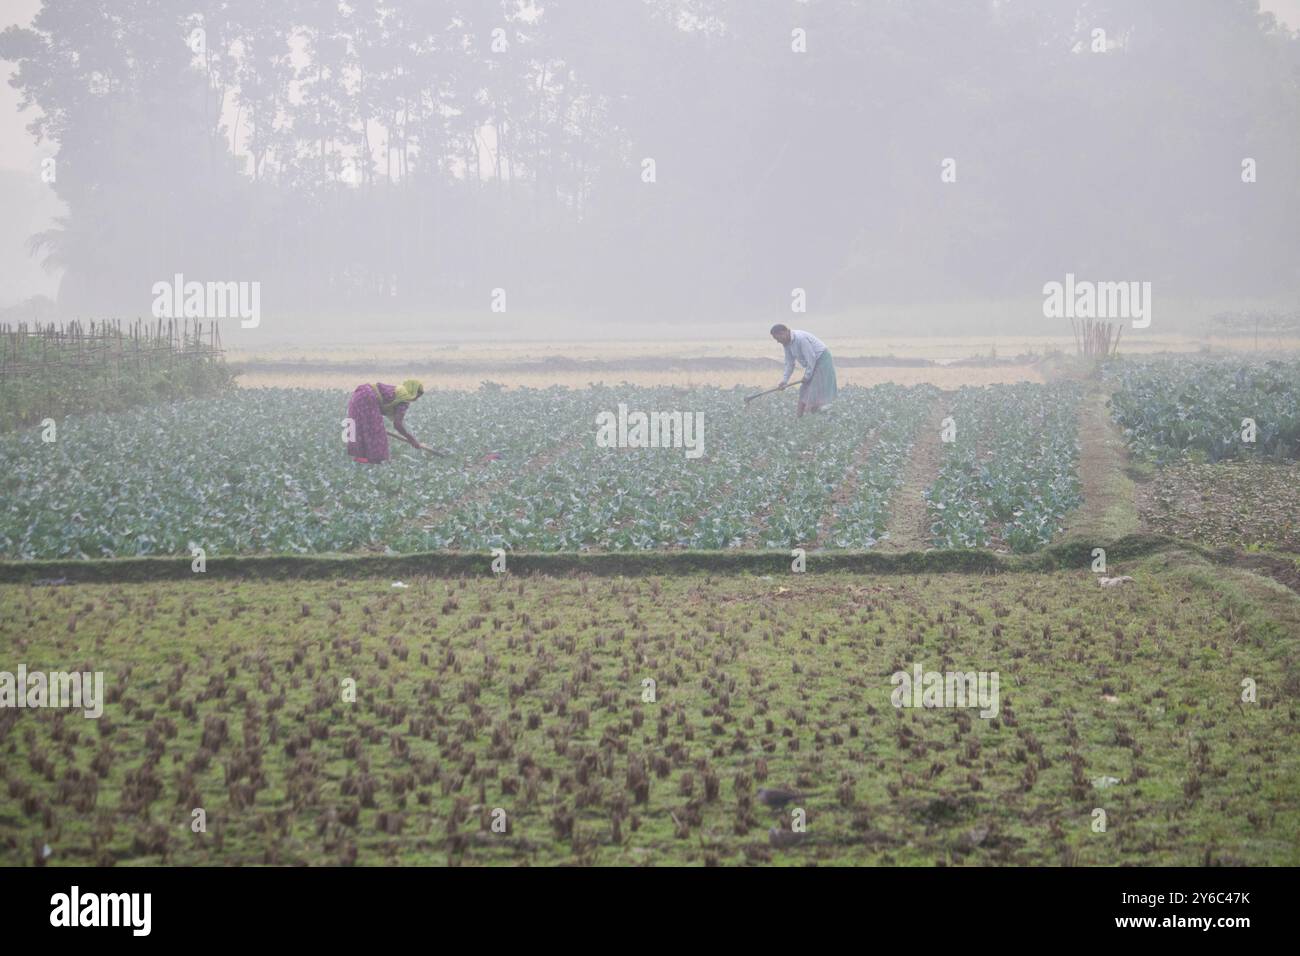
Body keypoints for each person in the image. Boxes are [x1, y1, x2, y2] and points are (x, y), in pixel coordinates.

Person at [346, 379, 427, 463]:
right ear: (412, 392)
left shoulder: (397, 390)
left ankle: (362, 459)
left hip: (359, 394)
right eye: (416, 396)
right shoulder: (404, 399)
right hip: (369, 398)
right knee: (377, 433)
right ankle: (376, 461)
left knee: (360, 428)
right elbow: (397, 424)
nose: (415, 399)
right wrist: (411, 439)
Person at [770, 324, 837, 416]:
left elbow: (811, 358)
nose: (777, 341)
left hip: (822, 360)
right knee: (803, 391)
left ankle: (825, 415)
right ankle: (798, 420)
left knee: (813, 392)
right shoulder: (786, 344)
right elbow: (789, 363)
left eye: (777, 338)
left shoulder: (800, 338)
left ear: (783, 333)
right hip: (813, 363)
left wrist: (807, 376)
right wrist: (784, 381)